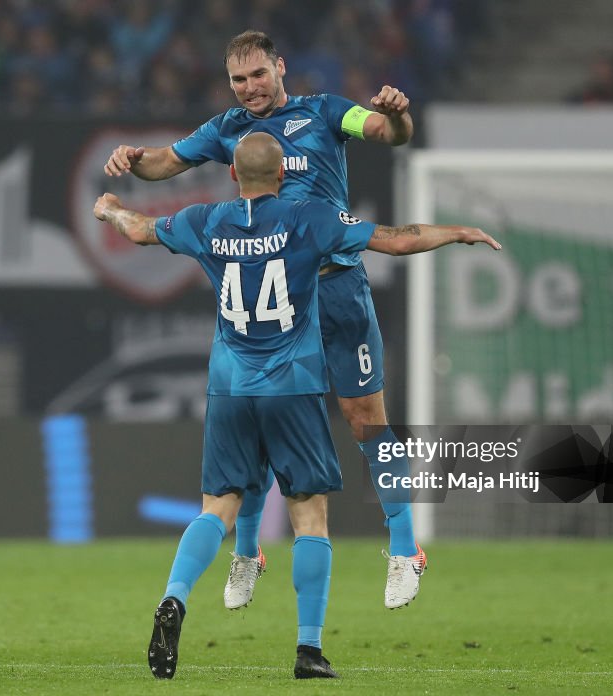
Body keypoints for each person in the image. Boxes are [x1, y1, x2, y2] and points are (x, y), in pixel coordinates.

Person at [95, 132, 500, 680]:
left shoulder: (204, 220)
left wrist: (112, 207)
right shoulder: (310, 219)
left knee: (216, 507)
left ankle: (175, 596)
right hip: (293, 385)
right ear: (282, 175)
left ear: (232, 176)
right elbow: (394, 240)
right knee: (310, 515)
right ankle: (308, 649)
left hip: (230, 390)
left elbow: (140, 230)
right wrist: (455, 232)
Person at [104, 29, 431, 611]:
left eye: (258, 74)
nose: (249, 88)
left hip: (334, 289)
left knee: (365, 419)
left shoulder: (325, 112)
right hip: (272, 298)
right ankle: (248, 553)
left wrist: (398, 116)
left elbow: (387, 134)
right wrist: (132, 160)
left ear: (281, 68)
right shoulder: (226, 128)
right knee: (256, 420)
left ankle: (405, 549)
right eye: (238, 79)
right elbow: (164, 164)